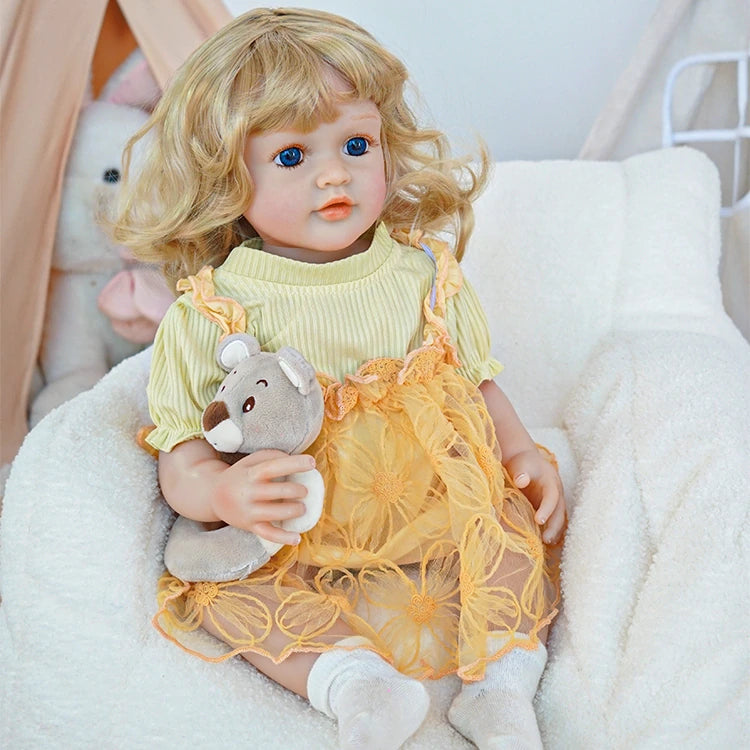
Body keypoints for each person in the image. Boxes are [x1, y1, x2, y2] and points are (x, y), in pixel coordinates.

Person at [112, 8, 566, 749]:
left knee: (513, 539)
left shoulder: (422, 273)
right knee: (217, 586)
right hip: (300, 535)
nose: (334, 174)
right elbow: (182, 452)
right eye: (292, 157)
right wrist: (221, 492)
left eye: (357, 144)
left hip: (430, 510)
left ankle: (503, 688)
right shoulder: (216, 308)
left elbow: (475, 385)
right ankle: (353, 681)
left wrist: (517, 454)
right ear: (230, 175)